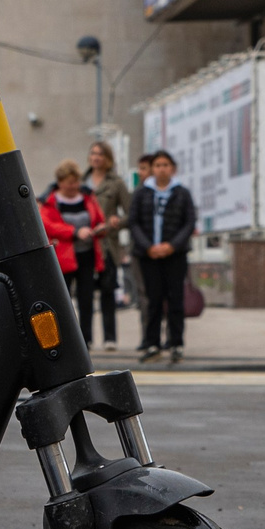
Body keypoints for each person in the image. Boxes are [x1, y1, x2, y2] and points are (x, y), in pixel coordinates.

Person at [131, 150, 196, 363]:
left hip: (174, 255)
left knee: (175, 299)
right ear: (153, 169)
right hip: (148, 255)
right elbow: (134, 223)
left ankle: (176, 343)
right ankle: (152, 343)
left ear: (172, 168)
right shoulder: (142, 193)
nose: (161, 169)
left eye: (165, 165)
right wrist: (149, 247)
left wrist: (172, 245)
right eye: (157, 165)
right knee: (153, 300)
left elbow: (189, 223)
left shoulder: (182, 193)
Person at [39, 160, 101, 341]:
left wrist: (100, 228)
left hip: (87, 255)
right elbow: (48, 225)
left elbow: (97, 217)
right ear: (60, 182)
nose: (73, 186)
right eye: (69, 182)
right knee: (63, 300)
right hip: (63, 257)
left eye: (76, 182)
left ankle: (86, 339)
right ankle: (66, 338)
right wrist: (74, 232)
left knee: (86, 299)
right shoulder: (50, 201)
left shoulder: (88, 198)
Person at [86, 141, 131, 351]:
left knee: (107, 291)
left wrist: (116, 222)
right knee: (85, 294)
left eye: (100, 154)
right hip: (83, 245)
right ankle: (84, 339)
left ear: (108, 159)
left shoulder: (116, 183)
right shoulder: (81, 181)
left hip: (107, 247)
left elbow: (130, 214)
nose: (96, 158)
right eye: (93, 154)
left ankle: (110, 338)